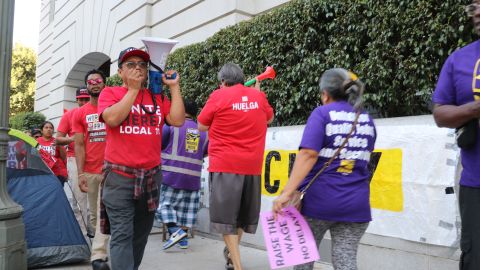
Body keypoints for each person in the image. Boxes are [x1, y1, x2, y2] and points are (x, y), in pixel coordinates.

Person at [272, 68, 377, 270]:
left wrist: (286, 193)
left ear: (325, 94)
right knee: (345, 261)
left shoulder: (322, 114)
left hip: (319, 203)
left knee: (303, 261)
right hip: (357, 205)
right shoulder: (365, 118)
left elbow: (308, 155)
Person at [98, 47, 185, 270]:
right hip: (119, 179)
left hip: (151, 178)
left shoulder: (156, 96)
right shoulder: (110, 93)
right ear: (120, 72)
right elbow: (113, 119)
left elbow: (176, 120)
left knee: (140, 237)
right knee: (122, 235)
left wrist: (174, 88)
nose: (138, 68)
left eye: (142, 64)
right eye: (131, 64)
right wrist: (133, 91)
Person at [197, 63, 274, 270]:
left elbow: (201, 125)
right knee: (240, 216)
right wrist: (257, 96)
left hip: (225, 165)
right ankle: (232, 255)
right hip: (252, 166)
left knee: (226, 218)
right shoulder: (258, 97)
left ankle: (237, 265)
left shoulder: (218, 96)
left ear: (223, 81)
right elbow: (269, 117)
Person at [432, 2, 480, 269]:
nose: (477, 12)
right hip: (476, 184)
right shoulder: (459, 59)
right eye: (474, 5)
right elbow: (440, 113)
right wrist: (474, 109)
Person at [157, 99, 208, 250]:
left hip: (171, 176)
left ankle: (175, 231)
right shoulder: (204, 131)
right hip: (193, 179)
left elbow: (159, 144)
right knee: (186, 212)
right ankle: (183, 241)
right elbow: (205, 152)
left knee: (162, 206)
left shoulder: (171, 125)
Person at [73, 69, 110, 270]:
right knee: (95, 215)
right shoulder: (80, 113)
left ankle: (99, 253)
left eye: (98, 80)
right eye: (90, 81)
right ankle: (100, 251)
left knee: (110, 211)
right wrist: (80, 174)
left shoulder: (113, 107)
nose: (94, 83)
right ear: (87, 86)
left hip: (112, 170)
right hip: (91, 171)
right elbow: (79, 145)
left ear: (104, 83)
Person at [56, 87, 91, 236]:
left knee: (95, 199)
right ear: (76, 100)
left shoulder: (97, 113)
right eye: (81, 99)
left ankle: (92, 229)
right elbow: (57, 138)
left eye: (86, 99)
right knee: (79, 198)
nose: (83, 102)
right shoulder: (69, 115)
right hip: (75, 159)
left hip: (95, 160)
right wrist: (72, 139)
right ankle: (82, 232)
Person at [37, 121, 68, 186]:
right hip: (43, 173)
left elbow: (64, 157)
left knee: (57, 194)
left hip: (58, 173)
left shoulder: (57, 141)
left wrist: (66, 173)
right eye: (46, 127)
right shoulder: (36, 141)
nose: (49, 129)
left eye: (51, 128)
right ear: (42, 131)